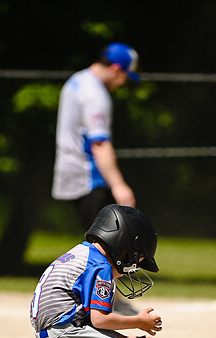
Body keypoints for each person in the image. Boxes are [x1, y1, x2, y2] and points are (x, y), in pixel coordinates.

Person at [20, 204, 162, 338]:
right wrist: (138, 321)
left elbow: (87, 322)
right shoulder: (101, 267)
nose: (133, 268)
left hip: (56, 329)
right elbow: (99, 320)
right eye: (136, 260)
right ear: (124, 249)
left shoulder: (83, 253)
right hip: (62, 331)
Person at [51, 42, 140, 315]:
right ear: (115, 69)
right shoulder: (95, 94)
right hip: (88, 175)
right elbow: (99, 143)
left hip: (71, 171)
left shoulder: (76, 81)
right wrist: (118, 184)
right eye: (125, 75)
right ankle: (98, 302)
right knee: (103, 245)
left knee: (95, 241)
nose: (123, 82)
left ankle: (97, 298)